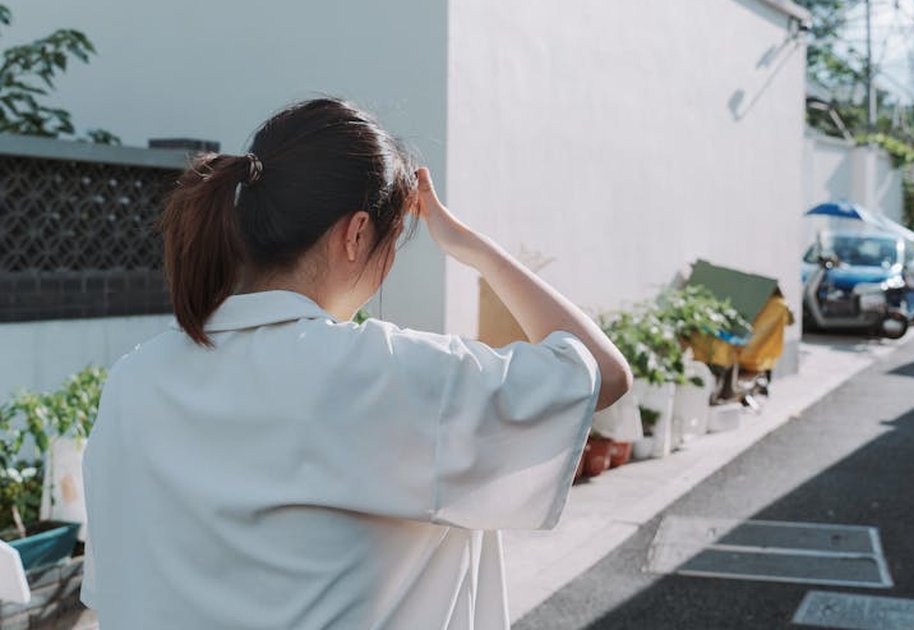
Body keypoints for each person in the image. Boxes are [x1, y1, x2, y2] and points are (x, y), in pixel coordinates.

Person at [80, 98, 632, 629]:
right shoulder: (385, 374)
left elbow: (117, 588)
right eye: (393, 243)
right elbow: (602, 373)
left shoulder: (134, 382)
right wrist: (474, 250)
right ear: (357, 233)